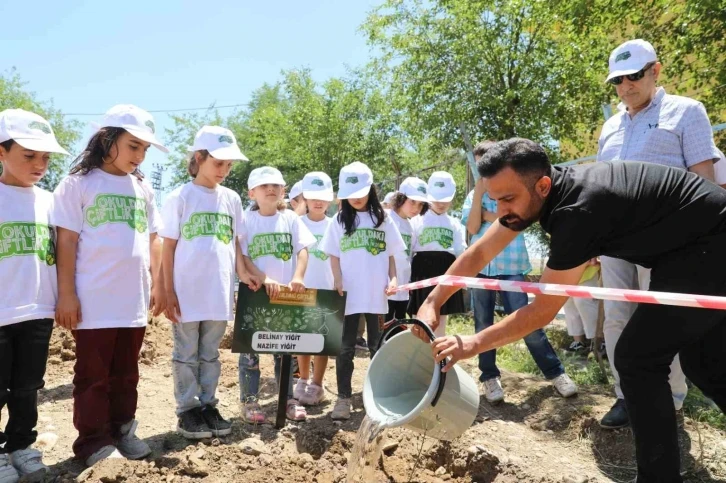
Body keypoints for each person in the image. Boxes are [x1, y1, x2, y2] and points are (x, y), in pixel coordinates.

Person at [414, 138, 726, 483]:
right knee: (705, 363)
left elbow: (543, 311)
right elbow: (478, 253)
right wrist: (433, 301)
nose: (501, 211)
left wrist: (472, 344)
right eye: (495, 200)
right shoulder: (545, 193)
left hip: (711, 244)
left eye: (507, 199)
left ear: (542, 186)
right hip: (685, 250)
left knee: (637, 359)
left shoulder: (576, 212)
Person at [597, 39, 721, 428]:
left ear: (656, 70)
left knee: (665, 320)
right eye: (617, 79)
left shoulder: (686, 112)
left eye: (634, 75)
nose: (626, 86)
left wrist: (704, 239)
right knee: (616, 318)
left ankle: (670, 399)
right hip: (617, 240)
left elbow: (705, 180)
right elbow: (602, 187)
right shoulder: (610, 126)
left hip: (670, 241)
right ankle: (627, 397)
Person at [53, 104, 167, 467]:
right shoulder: (77, 184)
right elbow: (66, 241)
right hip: (93, 300)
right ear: (107, 139)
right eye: (134, 145)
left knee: (126, 374)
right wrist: (67, 293)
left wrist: (157, 283)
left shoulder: (142, 188)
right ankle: (93, 442)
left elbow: (154, 239)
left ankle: (122, 430)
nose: (140, 155)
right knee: (93, 376)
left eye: (145, 149)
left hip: (131, 301)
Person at [160, 126, 260, 439]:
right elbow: (168, 248)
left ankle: (208, 405)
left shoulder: (231, 199)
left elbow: (235, 244)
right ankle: (187, 410)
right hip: (186, 292)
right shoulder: (180, 196)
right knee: (186, 353)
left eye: (230, 165)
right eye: (219, 163)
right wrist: (166, 289)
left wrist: (244, 273)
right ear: (199, 158)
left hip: (218, 293)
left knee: (210, 354)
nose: (225, 171)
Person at [462, 141, 576, 402]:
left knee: (528, 321)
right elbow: (471, 227)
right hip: (482, 271)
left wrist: (488, 217)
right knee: (482, 323)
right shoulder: (473, 197)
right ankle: (490, 378)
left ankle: (555, 372)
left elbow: (516, 218)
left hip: (512, 265)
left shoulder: (515, 187)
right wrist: (479, 196)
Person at [0, 109, 69, 483]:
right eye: (29, 155)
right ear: (1, 152)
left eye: (45, 157)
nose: (39, 164)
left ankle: (21, 446)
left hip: (39, 310)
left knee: (28, 385)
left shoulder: (50, 202)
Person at [320, 161, 405, 420]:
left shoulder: (383, 219)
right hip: (348, 296)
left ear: (371, 190)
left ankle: (377, 396)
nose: (356, 198)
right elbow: (332, 254)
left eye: (361, 192)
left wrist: (393, 279)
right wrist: (336, 278)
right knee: (344, 348)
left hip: (377, 296)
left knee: (377, 347)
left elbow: (391, 255)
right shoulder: (339, 220)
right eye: (351, 194)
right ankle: (343, 398)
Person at [237, 167, 315, 423]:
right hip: (255, 294)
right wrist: (262, 278)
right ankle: (249, 401)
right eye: (264, 186)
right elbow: (244, 256)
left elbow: (303, 250)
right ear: (252, 193)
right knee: (251, 350)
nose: (271, 189)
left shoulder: (291, 218)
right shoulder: (246, 221)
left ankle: (288, 399)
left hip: (285, 295)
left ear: (283, 190)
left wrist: (298, 277)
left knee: (285, 350)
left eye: (276, 185)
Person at [407, 172, 467, 337]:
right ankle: (416, 357)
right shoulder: (416, 221)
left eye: (445, 199)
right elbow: (409, 250)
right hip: (421, 273)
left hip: (445, 273)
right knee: (418, 319)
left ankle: (435, 359)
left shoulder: (454, 224)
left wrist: (462, 280)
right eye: (437, 198)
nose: (441, 203)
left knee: (440, 318)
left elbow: (460, 251)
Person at [294, 171, 335, 406]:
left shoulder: (336, 225)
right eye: (313, 197)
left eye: (323, 197)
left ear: (330, 200)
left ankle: (317, 385)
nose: (318, 202)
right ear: (305, 199)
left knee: (322, 341)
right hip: (302, 290)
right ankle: (303, 380)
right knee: (302, 338)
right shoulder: (296, 224)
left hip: (327, 291)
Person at [386, 177, 428, 323]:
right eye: (412, 202)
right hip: (386, 287)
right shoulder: (386, 219)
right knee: (384, 327)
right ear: (400, 198)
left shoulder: (411, 225)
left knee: (399, 325)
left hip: (403, 286)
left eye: (421, 204)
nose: (416, 208)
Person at [563, 259, 601, 355]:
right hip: (566, 272)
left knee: (584, 303)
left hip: (588, 270)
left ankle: (597, 342)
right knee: (569, 305)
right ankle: (578, 342)